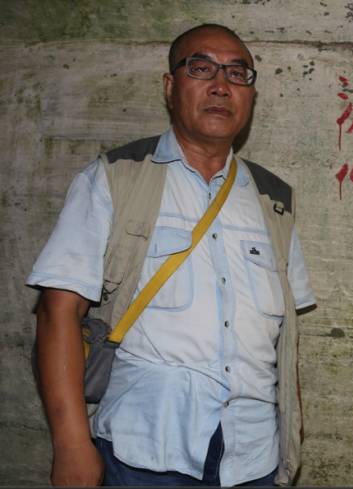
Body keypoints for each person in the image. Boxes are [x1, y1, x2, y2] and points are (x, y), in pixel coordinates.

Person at [27, 23, 315, 486]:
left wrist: (292, 430)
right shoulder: (114, 179)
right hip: (143, 454)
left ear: (250, 93)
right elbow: (57, 312)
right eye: (201, 68)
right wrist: (71, 444)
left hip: (252, 456)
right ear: (170, 86)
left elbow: (286, 337)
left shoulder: (273, 200)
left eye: (237, 73)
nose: (221, 85)